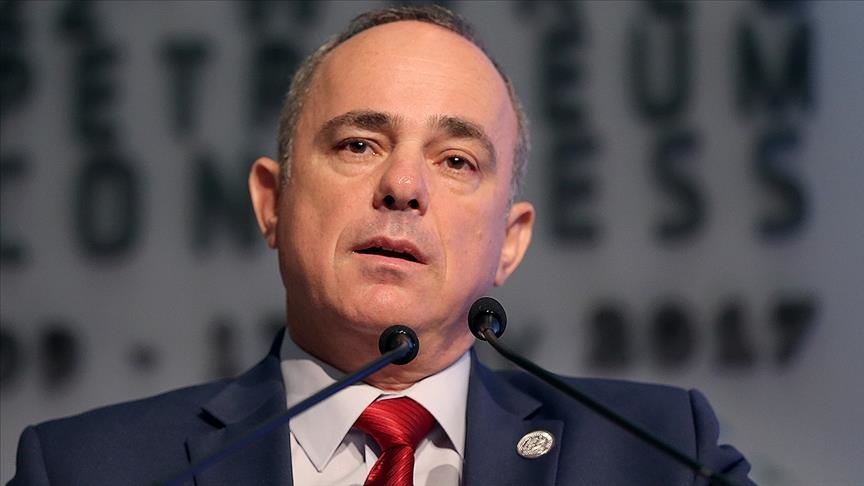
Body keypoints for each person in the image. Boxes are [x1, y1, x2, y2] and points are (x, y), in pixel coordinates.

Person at [10, 5, 755, 485]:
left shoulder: (658, 454)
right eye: (359, 144)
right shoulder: (88, 469)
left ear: (510, 242)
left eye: (455, 160)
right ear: (272, 203)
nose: (403, 186)